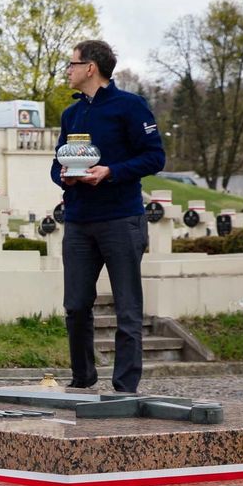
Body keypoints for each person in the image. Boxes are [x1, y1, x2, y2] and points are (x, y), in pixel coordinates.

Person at [51, 39, 165, 393]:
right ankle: (82, 379)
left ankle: (125, 386)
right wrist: (64, 177)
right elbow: (57, 164)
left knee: (127, 307)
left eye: (72, 64)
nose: (67, 70)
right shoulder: (71, 114)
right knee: (75, 306)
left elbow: (154, 157)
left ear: (91, 68)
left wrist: (111, 171)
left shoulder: (130, 107)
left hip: (121, 219)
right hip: (80, 220)